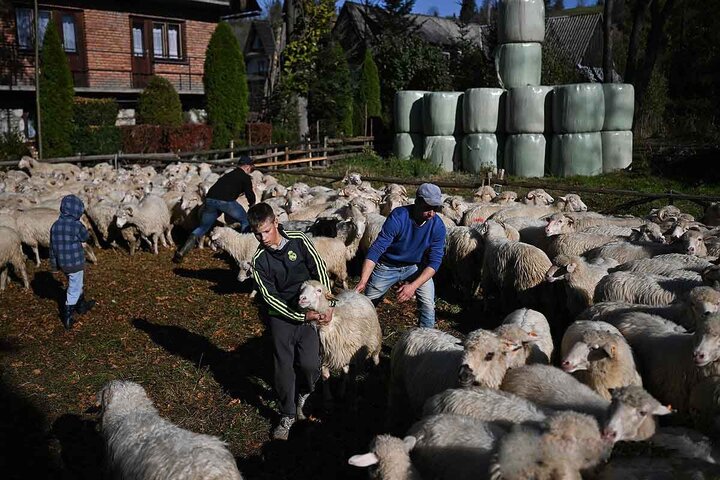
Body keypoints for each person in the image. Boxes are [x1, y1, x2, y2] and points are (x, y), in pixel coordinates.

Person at [248, 202, 332, 440]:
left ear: (276, 223)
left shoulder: (298, 240)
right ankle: (287, 414)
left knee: (309, 364)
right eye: (257, 234)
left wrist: (328, 303)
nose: (262, 238)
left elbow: (319, 268)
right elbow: (269, 299)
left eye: (266, 231)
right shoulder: (259, 261)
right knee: (283, 366)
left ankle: (306, 393)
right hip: (282, 316)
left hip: (309, 305)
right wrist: (301, 316)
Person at [355, 183, 446, 329]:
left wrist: (413, 286)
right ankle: (361, 335)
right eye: (427, 208)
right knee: (367, 303)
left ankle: (426, 339)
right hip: (388, 265)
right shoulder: (399, 217)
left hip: (415, 267)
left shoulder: (437, 226)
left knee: (428, 304)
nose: (431, 213)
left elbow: (435, 262)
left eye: (435, 209)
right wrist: (363, 280)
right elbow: (377, 249)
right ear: (417, 202)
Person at [172, 155, 256, 263]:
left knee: (202, 227)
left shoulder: (228, 175)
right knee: (245, 220)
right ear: (248, 167)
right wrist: (252, 204)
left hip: (210, 200)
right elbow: (250, 194)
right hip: (226, 202)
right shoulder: (245, 177)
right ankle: (245, 249)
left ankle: (182, 251)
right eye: (251, 167)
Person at [50, 194, 96, 330]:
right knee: (74, 288)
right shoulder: (76, 225)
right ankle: (68, 316)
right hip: (75, 262)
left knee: (76, 283)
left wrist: (54, 265)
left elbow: (52, 246)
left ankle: (81, 306)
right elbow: (85, 237)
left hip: (63, 263)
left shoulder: (55, 225)